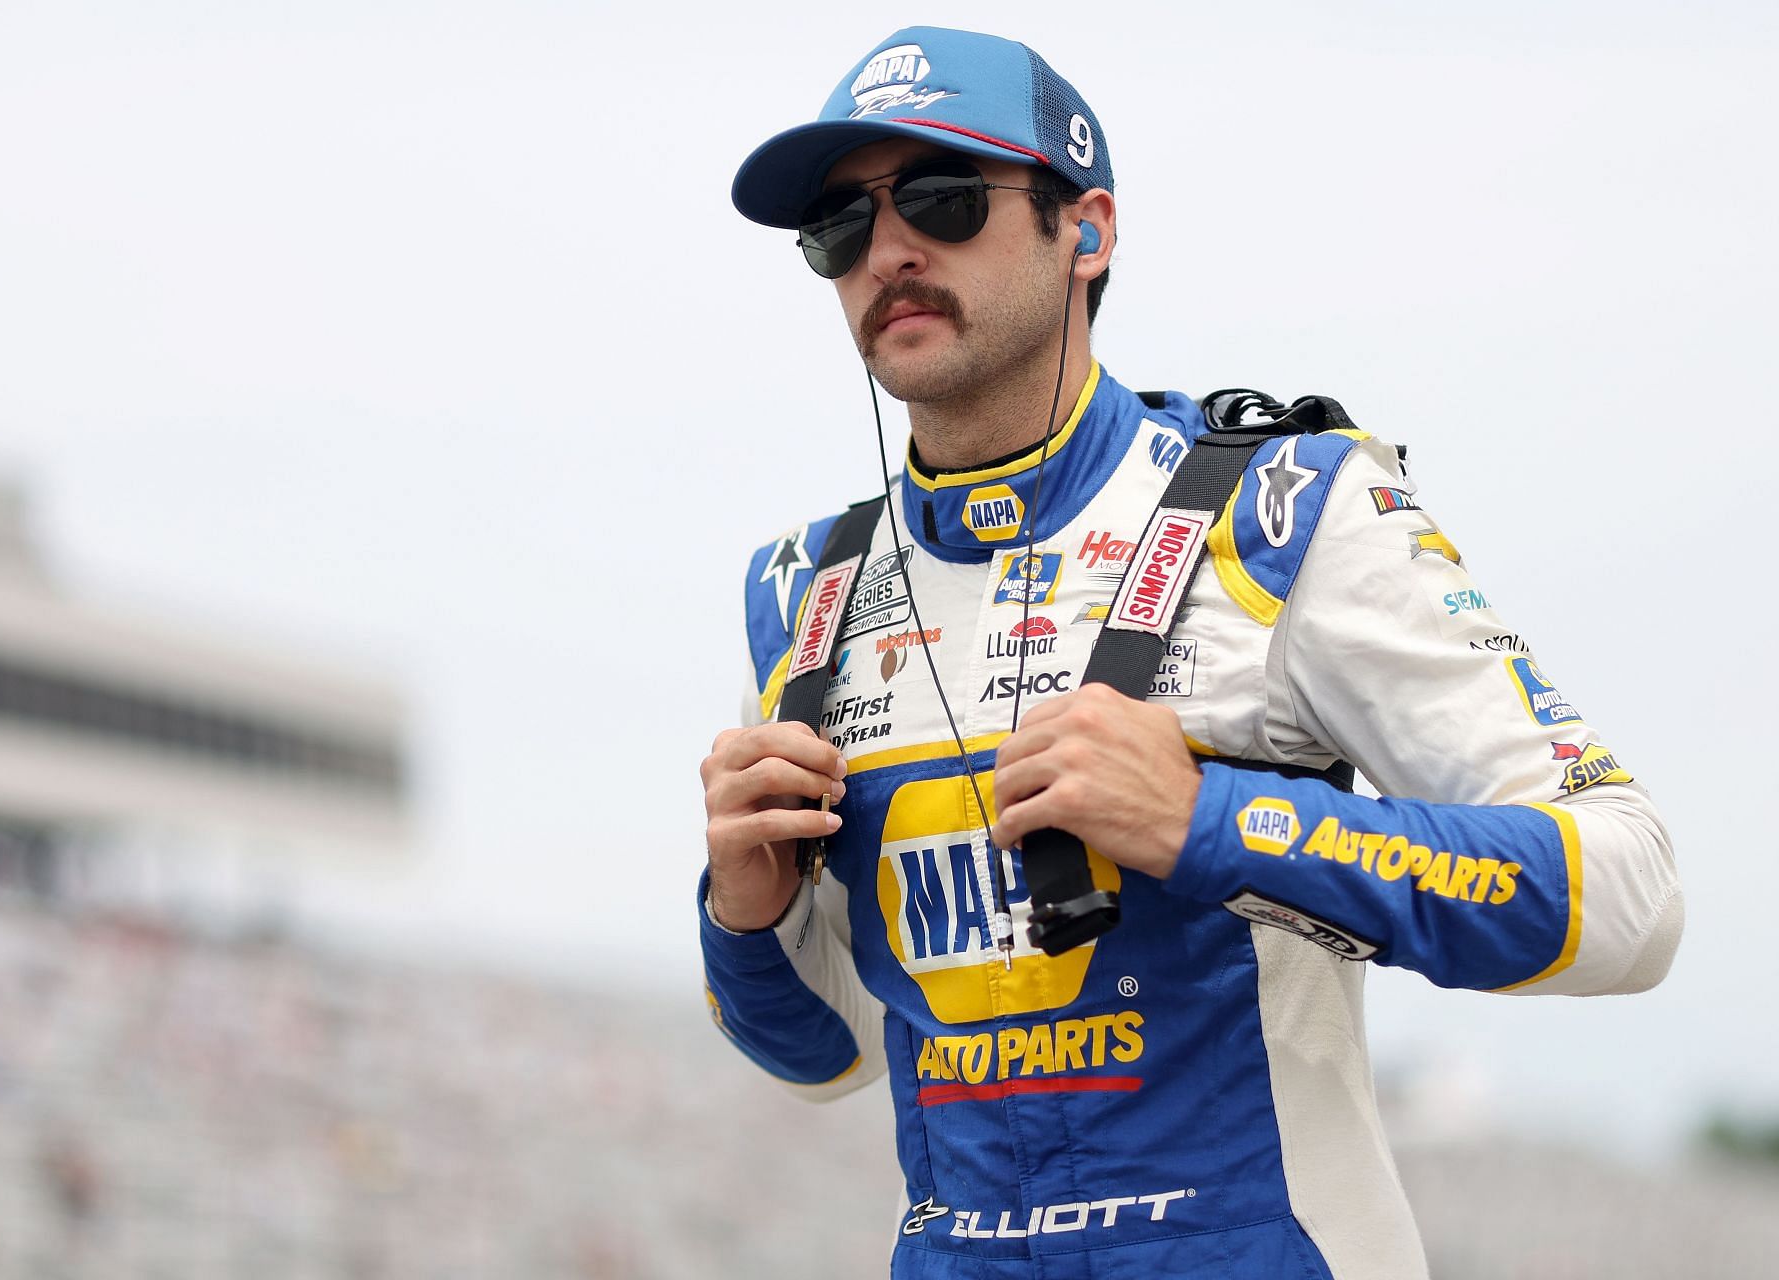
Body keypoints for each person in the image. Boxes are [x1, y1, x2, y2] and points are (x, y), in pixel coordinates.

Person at [695, 25, 1682, 1279]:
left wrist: (1213, 818)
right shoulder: (806, 594)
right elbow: (826, 1053)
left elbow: (1634, 895)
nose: (889, 249)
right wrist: (744, 909)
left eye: (942, 197)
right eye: (840, 224)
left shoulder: (1289, 507)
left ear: (1086, 229)